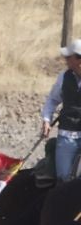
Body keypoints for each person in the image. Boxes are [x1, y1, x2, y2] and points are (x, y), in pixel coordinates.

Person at [41, 41, 81, 181]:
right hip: (66, 135)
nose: (65, 60)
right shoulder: (63, 77)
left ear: (78, 59)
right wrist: (47, 120)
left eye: (69, 57)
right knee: (63, 178)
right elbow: (52, 100)